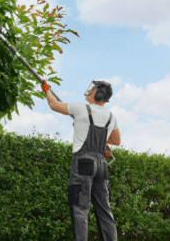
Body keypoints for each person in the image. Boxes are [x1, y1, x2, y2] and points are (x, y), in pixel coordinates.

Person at [41, 80, 120, 241]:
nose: (89, 91)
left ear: (97, 93)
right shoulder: (111, 117)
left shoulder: (80, 108)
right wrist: (101, 140)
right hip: (101, 167)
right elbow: (116, 141)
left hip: (83, 162)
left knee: (79, 207)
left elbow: (54, 104)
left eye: (92, 89)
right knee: (104, 210)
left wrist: (47, 89)